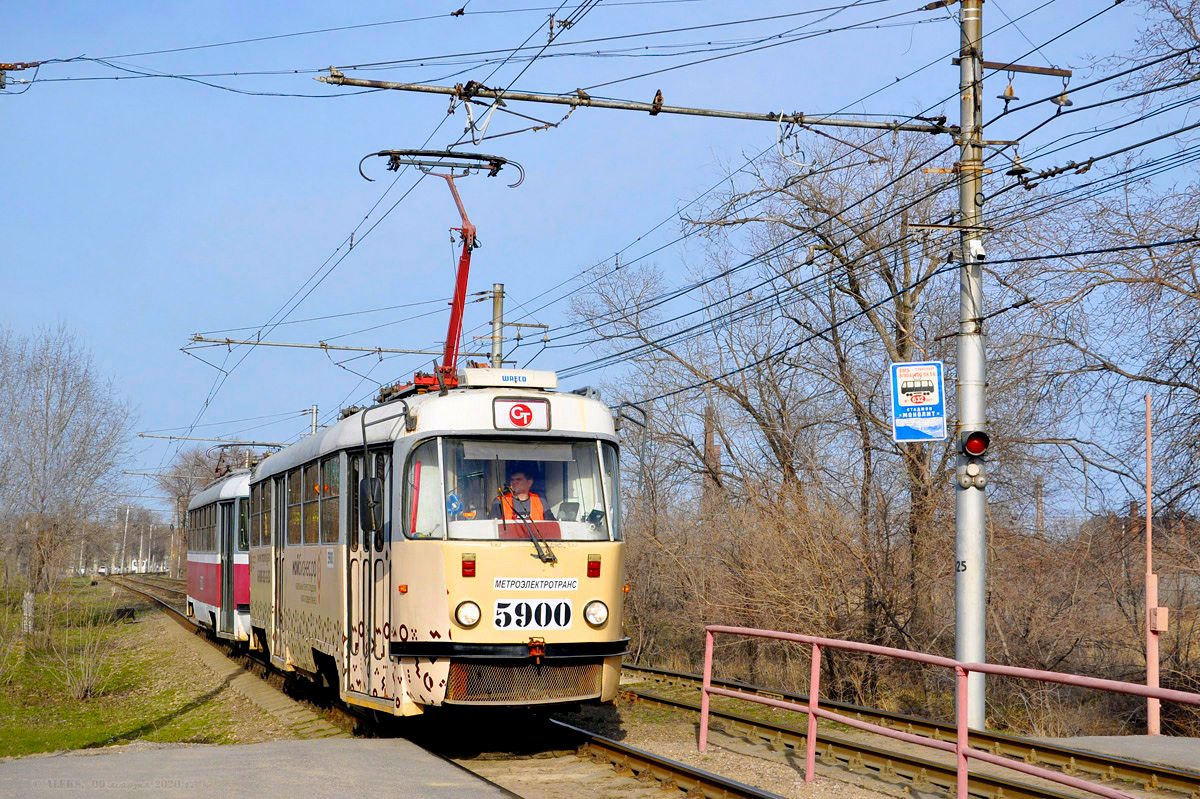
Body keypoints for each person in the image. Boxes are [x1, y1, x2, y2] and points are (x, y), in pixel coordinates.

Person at [490, 467, 556, 521]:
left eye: (518, 479)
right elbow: (491, 526)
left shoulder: (540, 501)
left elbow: (552, 526)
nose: (514, 482)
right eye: (512, 480)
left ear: (529, 483)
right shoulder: (499, 501)